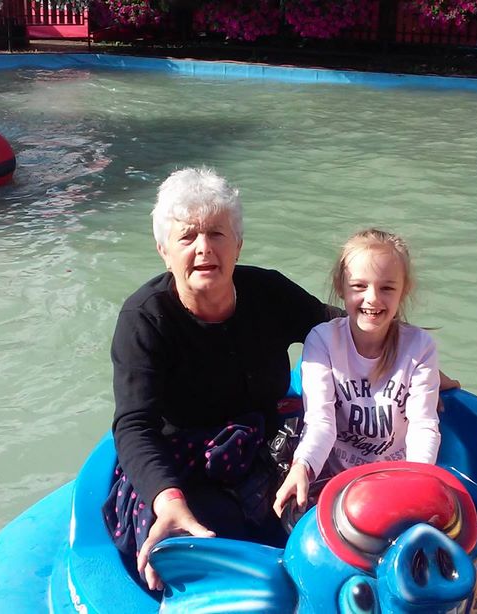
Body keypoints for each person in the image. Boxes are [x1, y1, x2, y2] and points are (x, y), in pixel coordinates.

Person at [105, 169, 457, 592]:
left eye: (217, 233)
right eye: (187, 237)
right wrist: (168, 500)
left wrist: (408, 361)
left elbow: (340, 325)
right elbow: (134, 425)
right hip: (182, 464)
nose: (204, 248)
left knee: (311, 537)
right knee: (204, 552)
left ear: (238, 244)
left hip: (260, 447)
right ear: (164, 250)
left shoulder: (266, 292)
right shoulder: (144, 319)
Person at [273, 228, 441, 520]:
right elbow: (321, 423)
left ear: (404, 291)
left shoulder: (420, 347)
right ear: (341, 287)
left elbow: (423, 426)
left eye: (387, 288)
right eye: (359, 286)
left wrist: (417, 481)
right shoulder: (322, 341)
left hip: (397, 481)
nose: (372, 299)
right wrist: (302, 466)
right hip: (336, 481)